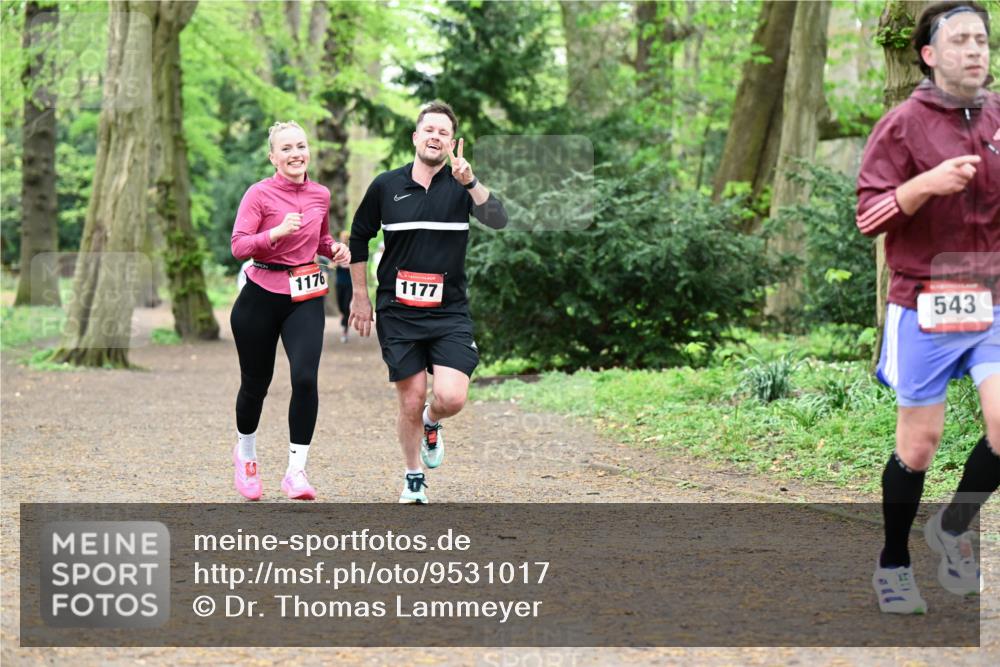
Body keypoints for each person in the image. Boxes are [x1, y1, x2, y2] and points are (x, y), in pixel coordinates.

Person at [856, 1, 1000, 614]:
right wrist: (923, 185)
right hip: (924, 302)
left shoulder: (998, 118)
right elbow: (868, 217)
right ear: (930, 54)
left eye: (983, 40)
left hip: (992, 298)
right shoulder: (901, 125)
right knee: (920, 444)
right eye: (961, 40)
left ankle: (954, 525)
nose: (975, 50)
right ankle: (893, 563)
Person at [348, 101, 508, 503]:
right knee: (411, 395)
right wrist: (360, 297)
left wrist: (471, 182)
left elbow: (498, 218)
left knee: (450, 397)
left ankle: (432, 423)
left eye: (443, 132)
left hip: (449, 310)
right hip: (397, 311)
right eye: (429, 130)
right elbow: (358, 237)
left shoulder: (462, 185)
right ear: (415, 137)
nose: (435, 137)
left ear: (452, 143)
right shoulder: (386, 186)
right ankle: (413, 476)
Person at [230, 121, 350, 501]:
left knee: (305, 378)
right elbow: (239, 246)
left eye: (300, 146)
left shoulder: (320, 194)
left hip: (305, 294)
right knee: (256, 384)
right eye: (286, 148)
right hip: (261, 293)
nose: (295, 154)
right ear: (273, 157)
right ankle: (246, 455)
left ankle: (296, 471)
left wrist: (335, 251)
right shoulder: (259, 194)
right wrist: (276, 233)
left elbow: (322, 238)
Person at [335, 230, 353, 343]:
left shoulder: (351, 251)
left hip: (349, 284)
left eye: (346, 237)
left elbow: (356, 266)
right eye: (342, 237)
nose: (344, 239)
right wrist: (335, 263)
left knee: (346, 306)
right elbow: (332, 264)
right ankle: (343, 317)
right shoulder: (336, 250)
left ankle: (345, 330)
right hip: (339, 283)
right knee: (341, 306)